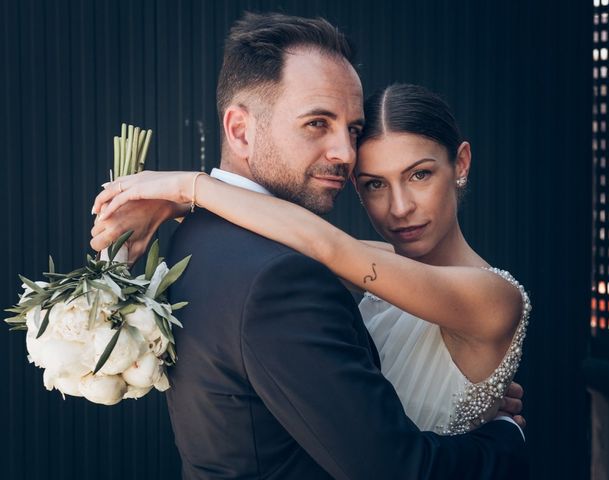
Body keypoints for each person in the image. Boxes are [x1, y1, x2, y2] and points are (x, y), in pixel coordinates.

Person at [92, 12, 528, 479]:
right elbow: (325, 245)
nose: (342, 152)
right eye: (317, 123)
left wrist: (188, 190)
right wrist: (505, 438)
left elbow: (329, 246)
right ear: (239, 130)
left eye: (353, 131)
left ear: (459, 163)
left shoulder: (201, 237)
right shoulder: (285, 273)